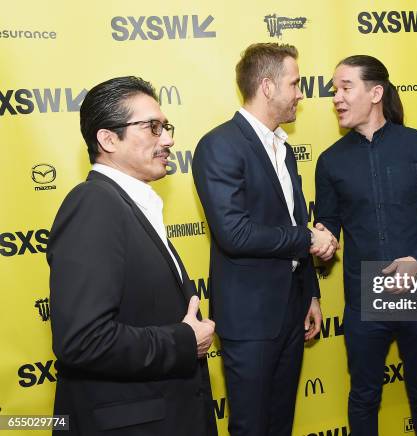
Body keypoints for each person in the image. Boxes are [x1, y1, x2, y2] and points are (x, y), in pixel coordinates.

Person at [47, 76, 218, 436]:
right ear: (108, 139)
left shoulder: (130, 205)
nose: (168, 139)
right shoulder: (93, 204)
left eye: (166, 127)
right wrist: (184, 341)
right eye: (152, 128)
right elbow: (83, 340)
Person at [192, 43, 337, 436]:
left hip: (291, 307)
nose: (302, 94)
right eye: (296, 83)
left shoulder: (281, 147)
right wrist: (307, 238)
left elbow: (291, 219)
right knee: (252, 426)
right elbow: (234, 233)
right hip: (251, 315)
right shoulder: (219, 145)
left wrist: (310, 294)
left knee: (279, 423)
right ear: (268, 86)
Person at [315, 55, 417, 436]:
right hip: (364, 292)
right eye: (333, 90)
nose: (336, 97)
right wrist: (321, 241)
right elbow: (329, 225)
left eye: (344, 87)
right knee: (364, 396)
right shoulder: (330, 161)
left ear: (375, 92)